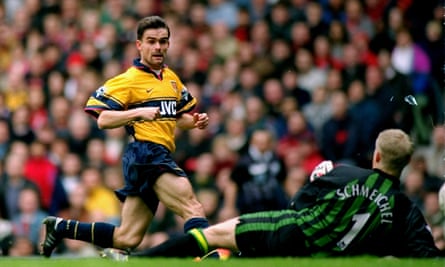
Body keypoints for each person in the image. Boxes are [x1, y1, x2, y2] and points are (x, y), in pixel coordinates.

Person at [40, 16, 212, 258]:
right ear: (139, 45)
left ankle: (60, 227)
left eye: (163, 41)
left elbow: (177, 118)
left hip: (153, 155)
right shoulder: (129, 79)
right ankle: (211, 259)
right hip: (147, 153)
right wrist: (138, 113)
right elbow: (102, 119)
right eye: (151, 41)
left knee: (127, 237)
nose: (158, 47)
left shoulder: (172, 78)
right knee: (192, 207)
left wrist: (195, 122)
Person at [131, 129, 440, 258]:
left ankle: (140, 261)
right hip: (325, 256)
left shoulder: (342, 172)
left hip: (291, 231)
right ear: (407, 164)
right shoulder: (405, 210)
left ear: (376, 156)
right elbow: (427, 255)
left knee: (213, 235)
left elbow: (299, 202)